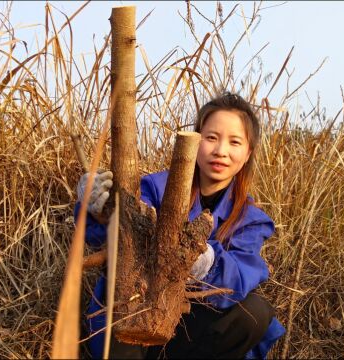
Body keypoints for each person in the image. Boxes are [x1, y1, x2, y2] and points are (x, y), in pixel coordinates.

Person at [75, 92, 285, 359]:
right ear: (196, 141)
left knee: (255, 312)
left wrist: (206, 262)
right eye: (211, 138)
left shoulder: (251, 219)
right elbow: (112, 233)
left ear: (248, 153)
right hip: (131, 312)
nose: (221, 151)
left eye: (234, 142)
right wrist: (96, 207)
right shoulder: (154, 186)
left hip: (190, 328)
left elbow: (241, 278)